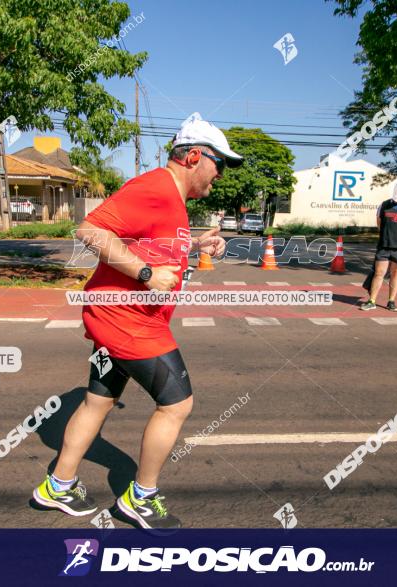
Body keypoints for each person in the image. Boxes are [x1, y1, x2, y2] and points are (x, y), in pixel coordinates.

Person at [31, 112, 242, 530]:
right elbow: (90, 231)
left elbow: (149, 241)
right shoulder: (155, 188)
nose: (220, 175)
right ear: (194, 156)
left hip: (116, 317)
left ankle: (58, 485)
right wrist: (145, 274)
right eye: (218, 165)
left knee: (98, 400)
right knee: (178, 404)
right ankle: (140, 498)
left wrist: (196, 242)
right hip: (129, 321)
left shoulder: (170, 198)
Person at [359, 195, 397, 312]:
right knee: (379, 272)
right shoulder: (384, 205)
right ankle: (372, 301)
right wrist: (387, 235)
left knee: (396, 273)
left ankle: (391, 301)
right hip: (384, 244)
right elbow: (379, 222)